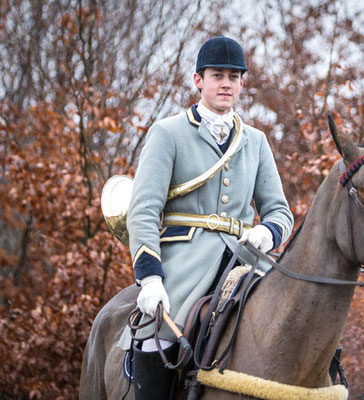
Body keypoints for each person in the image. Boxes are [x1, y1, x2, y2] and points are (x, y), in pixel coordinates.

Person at [119, 35, 294, 399]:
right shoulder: (167, 133)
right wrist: (149, 277)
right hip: (184, 263)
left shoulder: (256, 141)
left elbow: (279, 211)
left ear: (243, 83)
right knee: (161, 334)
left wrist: (266, 233)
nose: (226, 83)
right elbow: (144, 209)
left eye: (234, 76)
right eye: (218, 75)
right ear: (199, 81)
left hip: (246, 259)